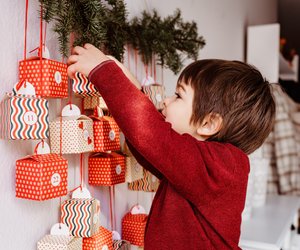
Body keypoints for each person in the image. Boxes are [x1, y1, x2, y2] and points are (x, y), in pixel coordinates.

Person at [67, 44, 275, 249]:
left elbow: (152, 135)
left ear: (209, 124)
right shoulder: (197, 165)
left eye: (178, 95)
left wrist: (102, 71)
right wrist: (131, 88)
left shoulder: (223, 166)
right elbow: (151, 147)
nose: (166, 101)